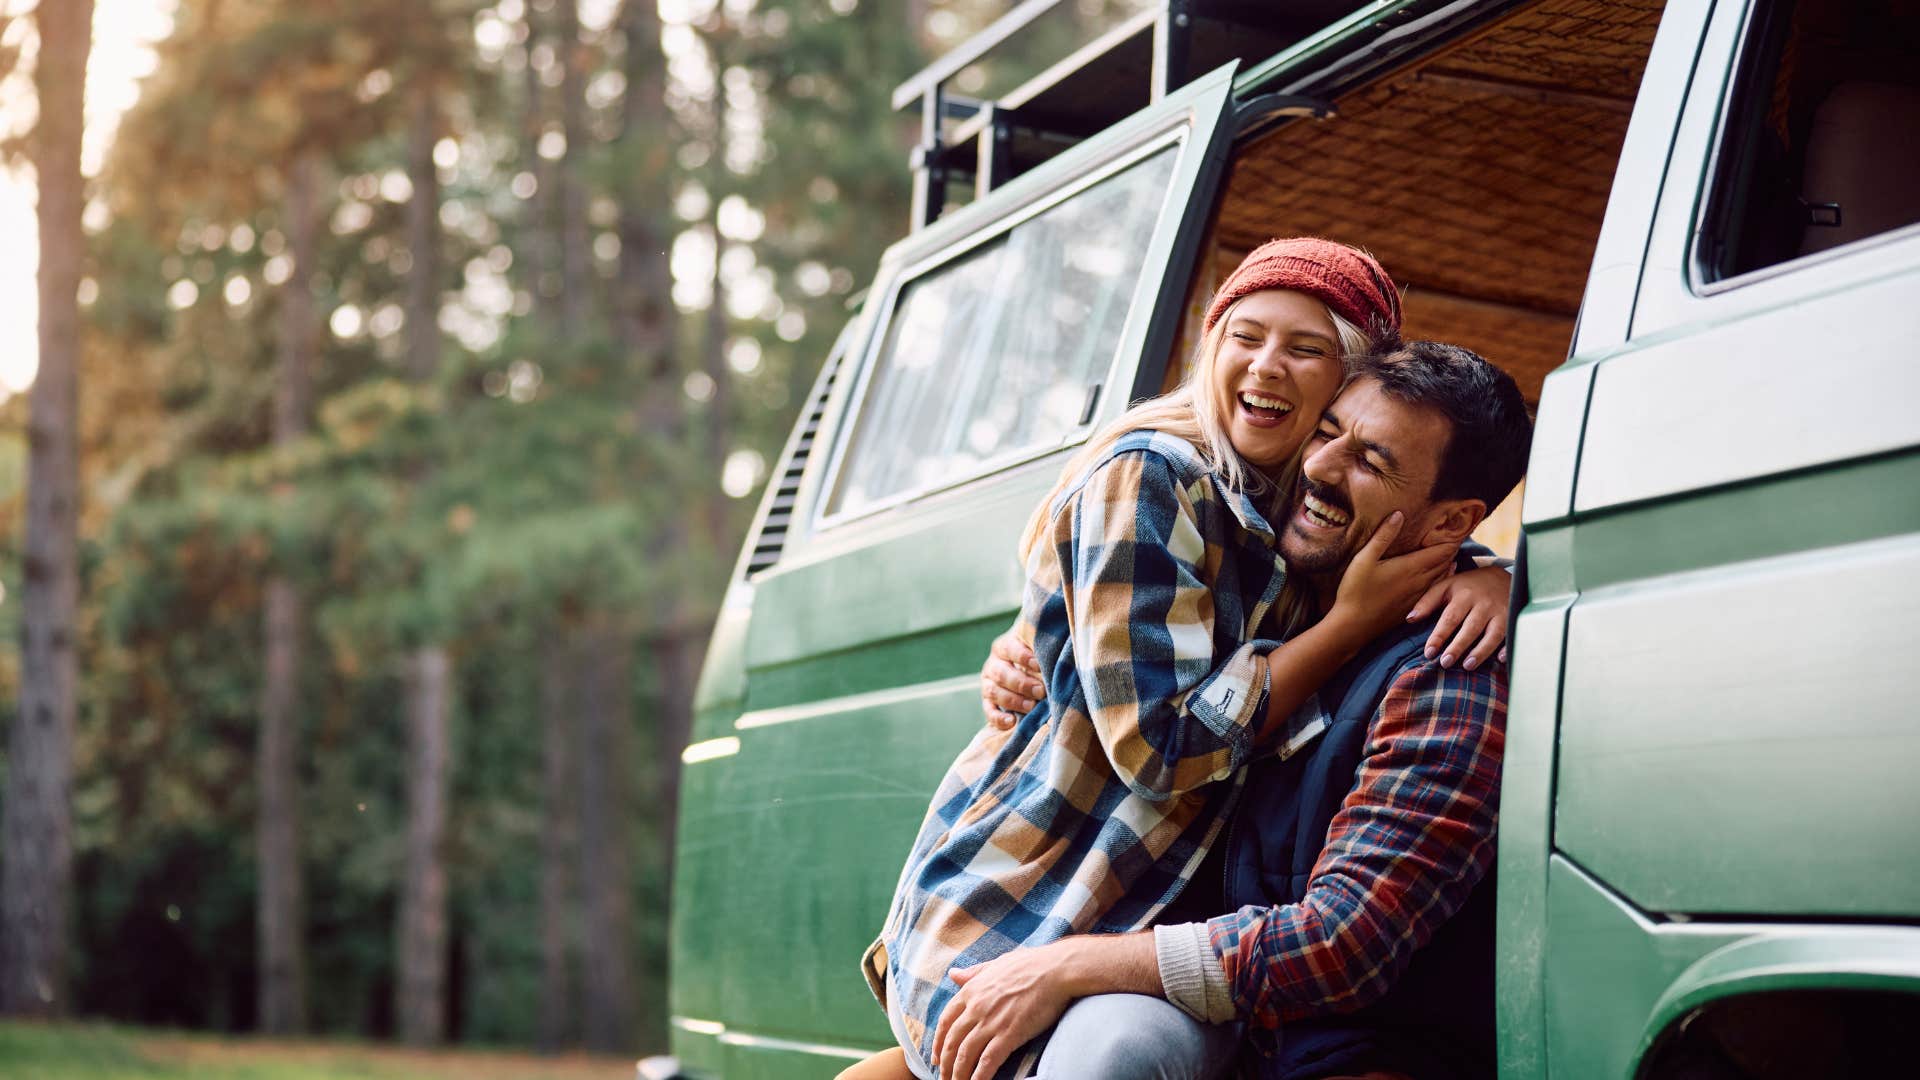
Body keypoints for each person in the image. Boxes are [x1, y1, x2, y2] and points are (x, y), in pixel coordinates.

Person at [844, 240, 1514, 1080]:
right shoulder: (1161, 478)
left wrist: (1501, 577)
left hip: (1145, 936)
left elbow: (1346, 939)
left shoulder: (1339, 570)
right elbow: (1158, 745)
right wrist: (1348, 625)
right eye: (1246, 334)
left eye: (1306, 351)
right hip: (1033, 901)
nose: (1325, 461)